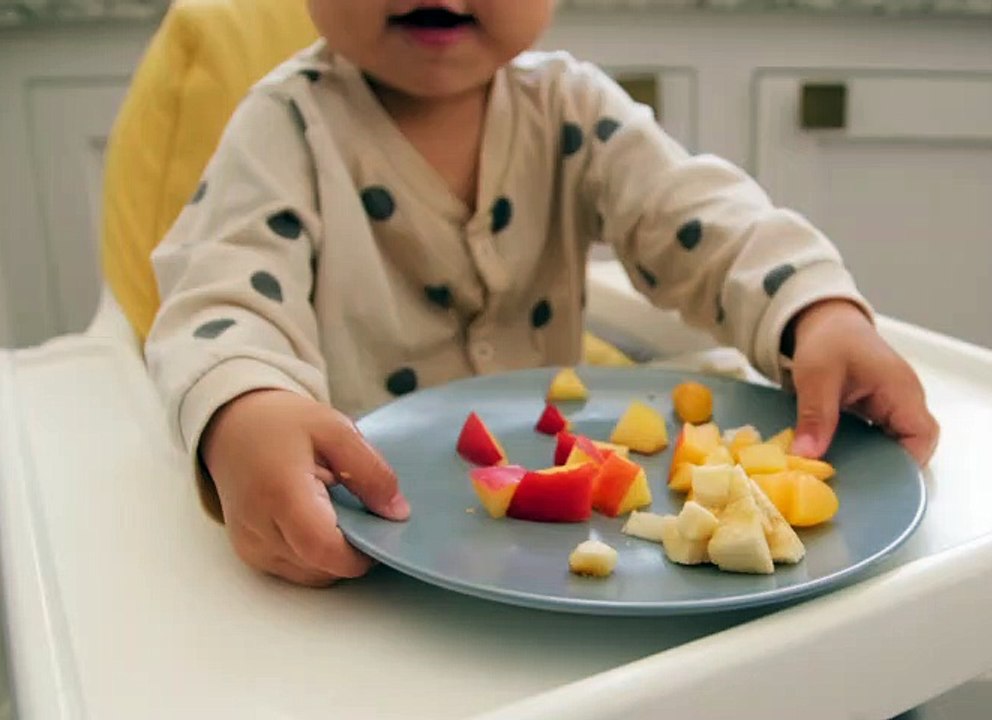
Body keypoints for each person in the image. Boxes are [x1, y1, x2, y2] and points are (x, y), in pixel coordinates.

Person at [145, 0, 940, 587]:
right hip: (359, 555)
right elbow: (219, 296)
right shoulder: (282, 127)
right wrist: (243, 413)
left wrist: (814, 309)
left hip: (568, 561)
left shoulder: (575, 107)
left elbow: (698, 219)